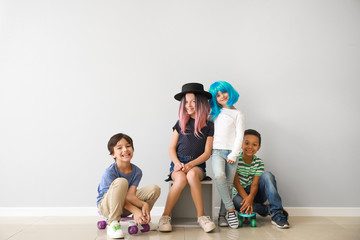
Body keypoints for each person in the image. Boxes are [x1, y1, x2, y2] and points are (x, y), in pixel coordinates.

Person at [158, 83, 216, 233]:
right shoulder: (180, 123)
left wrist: (191, 164)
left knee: (190, 175)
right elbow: (171, 148)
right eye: (186, 102)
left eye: (193, 101)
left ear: (201, 103)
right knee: (181, 179)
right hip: (178, 164)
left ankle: (201, 216)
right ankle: (165, 216)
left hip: (197, 165)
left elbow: (207, 153)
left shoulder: (209, 125)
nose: (188, 105)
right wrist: (177, 164)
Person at [97, 133, 161, 239]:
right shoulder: (110, 172)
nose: (125, 150)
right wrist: (135, 209)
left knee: (154, 189)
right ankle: (113, 224)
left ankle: (140, 220)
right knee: (121, 182)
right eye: (119, 147)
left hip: (123, 206)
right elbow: (111, 197)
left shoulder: (137, 171)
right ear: (113, 154)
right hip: (107, 207)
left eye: (128, 146)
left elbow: (130, 196)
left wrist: (144, 204)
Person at [233, 129, 290, 229]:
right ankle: (268, 210)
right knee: (237, 202)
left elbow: (255, 184)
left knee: (267, 175)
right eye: (247, 143)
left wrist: (250, 198)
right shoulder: (235, 159)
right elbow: (236, 183)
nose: (250, 147)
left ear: (258, 147)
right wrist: (247, 199)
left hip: (255, 194)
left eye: (254, 145)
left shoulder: (259, 162)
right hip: (240, 194)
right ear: (240, 144)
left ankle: (277, 214)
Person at [208, 81, 245, 228]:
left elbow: (239, 136)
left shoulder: (238, 114)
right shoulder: (212, 113)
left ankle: (222, 216)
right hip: (216, 151)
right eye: (217, 95)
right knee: (219, 176)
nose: (222, 96)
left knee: (228, 185)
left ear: (230, 92)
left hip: (232, 153)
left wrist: (234, 154)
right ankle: (231, 210)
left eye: (223, 92)